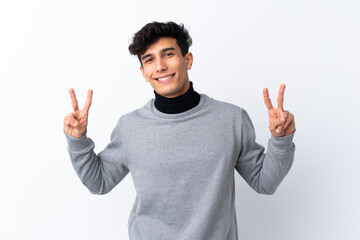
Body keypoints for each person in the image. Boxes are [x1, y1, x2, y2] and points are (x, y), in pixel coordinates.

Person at [64, 21, 295, 240]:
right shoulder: (130, 126)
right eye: (149, 60)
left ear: (188, 59)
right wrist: (78, 140)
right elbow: (99, 182)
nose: (160, 66)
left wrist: (281, 139)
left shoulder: (231, 119)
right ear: (144, 72)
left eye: (168, 54)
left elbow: (265, 183)